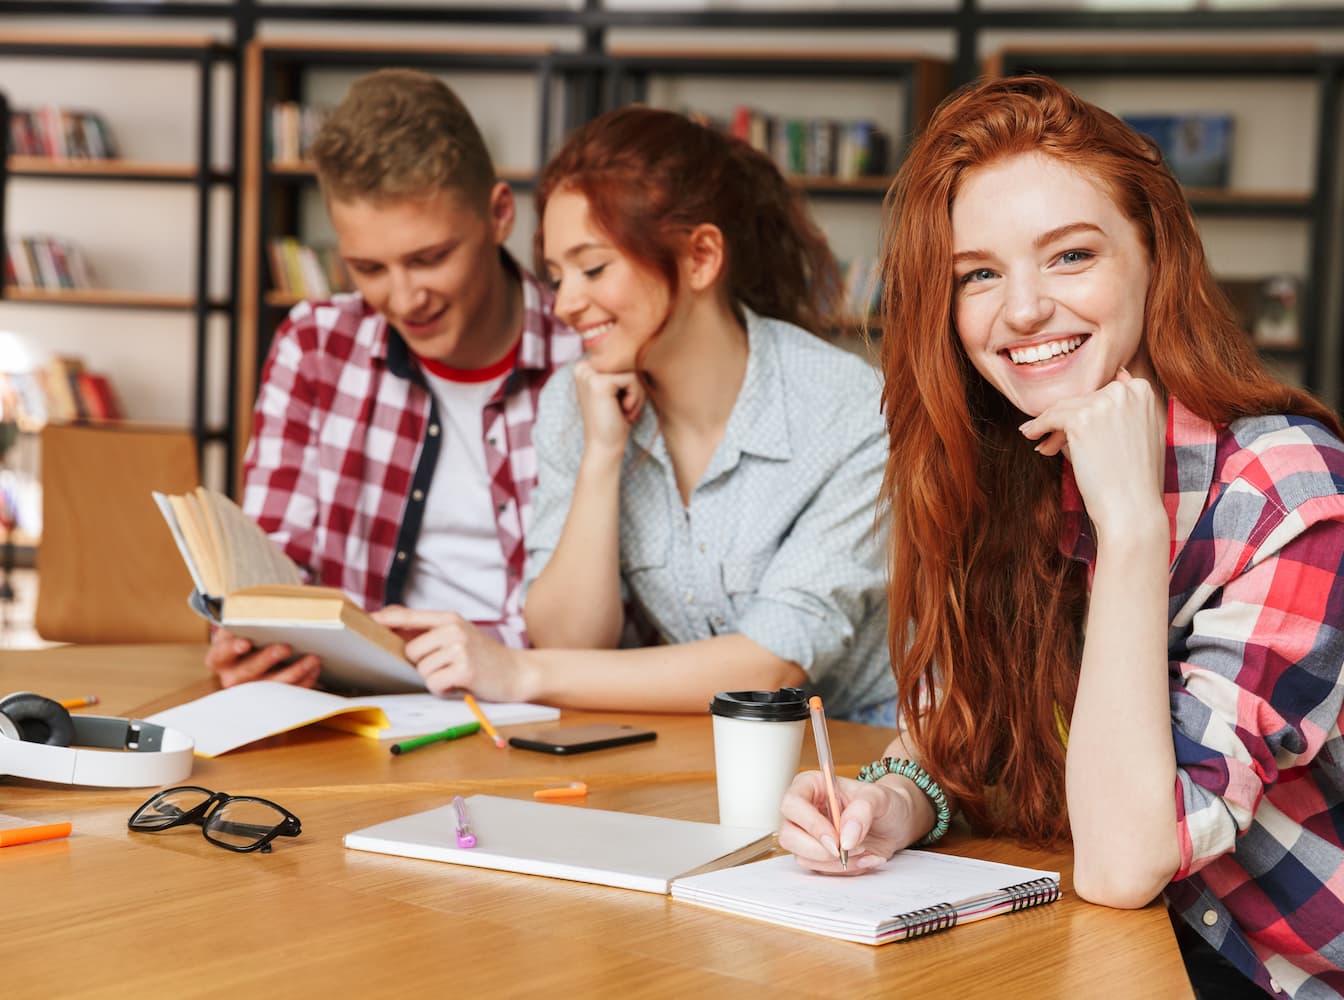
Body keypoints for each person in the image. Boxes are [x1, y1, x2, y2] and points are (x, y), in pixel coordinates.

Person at [778, 76, 1344, 997]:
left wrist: (1130, 530)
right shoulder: (1019, 463)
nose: (1025, 309)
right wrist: (894, 801)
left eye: (1071, 256)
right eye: (979, 274)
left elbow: (1126, 862)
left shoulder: (1292, 495)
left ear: (1153, 254)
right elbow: (987, 723)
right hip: (1159, 946)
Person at [373, 106, 896, 722]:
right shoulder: (578, 403)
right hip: (720, 753)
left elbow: (771, 665)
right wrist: (602, 455)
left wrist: (515, 670)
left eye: (593, 268)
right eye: (557, 275)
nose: (565, 303)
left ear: (700, 257)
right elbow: (569, 643)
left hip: (886, 760)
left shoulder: (851, 409)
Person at [207, 69, 579, 688]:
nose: (405, 299)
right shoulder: (316, 344)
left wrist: (487, 659)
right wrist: (252, 646)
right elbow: (273, 571)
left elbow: (612, 623)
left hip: (541, 707)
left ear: (500, 214)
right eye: (368, 268)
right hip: (351, 707)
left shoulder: (587, 357)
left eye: (430, 259)